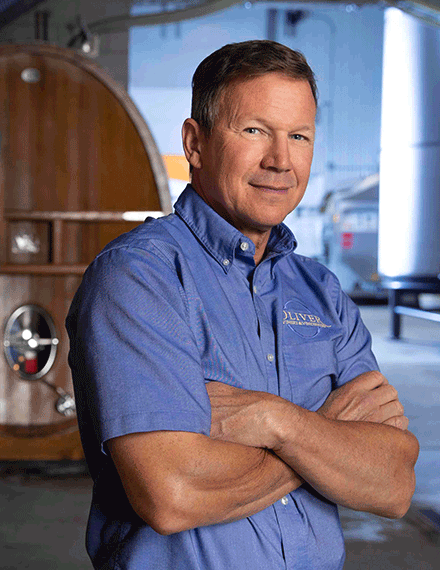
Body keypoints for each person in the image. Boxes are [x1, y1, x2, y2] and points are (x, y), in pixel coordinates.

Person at [66, 40, 419, 570]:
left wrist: (277, 421)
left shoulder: (321, 291)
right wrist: (324, 433)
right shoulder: (140, 279)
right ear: (195, 142)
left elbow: (391, 485)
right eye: (254, 130)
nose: (280, 160)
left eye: (298, 136)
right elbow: (172, 495)